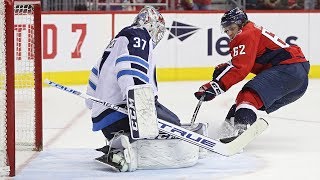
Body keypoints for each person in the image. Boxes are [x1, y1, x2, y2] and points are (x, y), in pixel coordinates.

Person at [85, 6, 183, 171]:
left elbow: (95, 74)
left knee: (171, 123)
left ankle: (119, 142)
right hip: (124, 116)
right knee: (176, 127)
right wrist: (141, 108)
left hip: (106, 123)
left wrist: (92, 104)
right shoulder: (139, 35)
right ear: (151, 24)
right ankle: (130, 143)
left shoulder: (116, 40)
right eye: (157, 29)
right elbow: (129, 69)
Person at [194, 7, 310, 143]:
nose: (229, 33)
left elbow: (240, 68)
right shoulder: (252, 31)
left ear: (241, 24)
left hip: (288, 70)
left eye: (232, 28)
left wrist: (216, 86)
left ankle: (241, 130)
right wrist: (226, 68)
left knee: (249, 95)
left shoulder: (245, 34)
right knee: (242, 103)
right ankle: (225, 134)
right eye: (226, 30)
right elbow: (245, 61)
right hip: (297, 80)